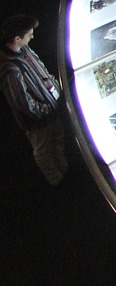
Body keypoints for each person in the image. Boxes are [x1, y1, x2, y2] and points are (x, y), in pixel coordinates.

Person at [0, 14, 66, 186]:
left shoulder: (25, 50)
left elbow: (41, 69)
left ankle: (65, 175)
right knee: (44, 152)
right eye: (29, 34)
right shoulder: (10, 69)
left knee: (57, 144)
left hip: (53, 111)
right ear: (17, 38)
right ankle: (57, 183)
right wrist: (48, 109)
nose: (32, 37)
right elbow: (24, 105)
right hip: (40, 123)